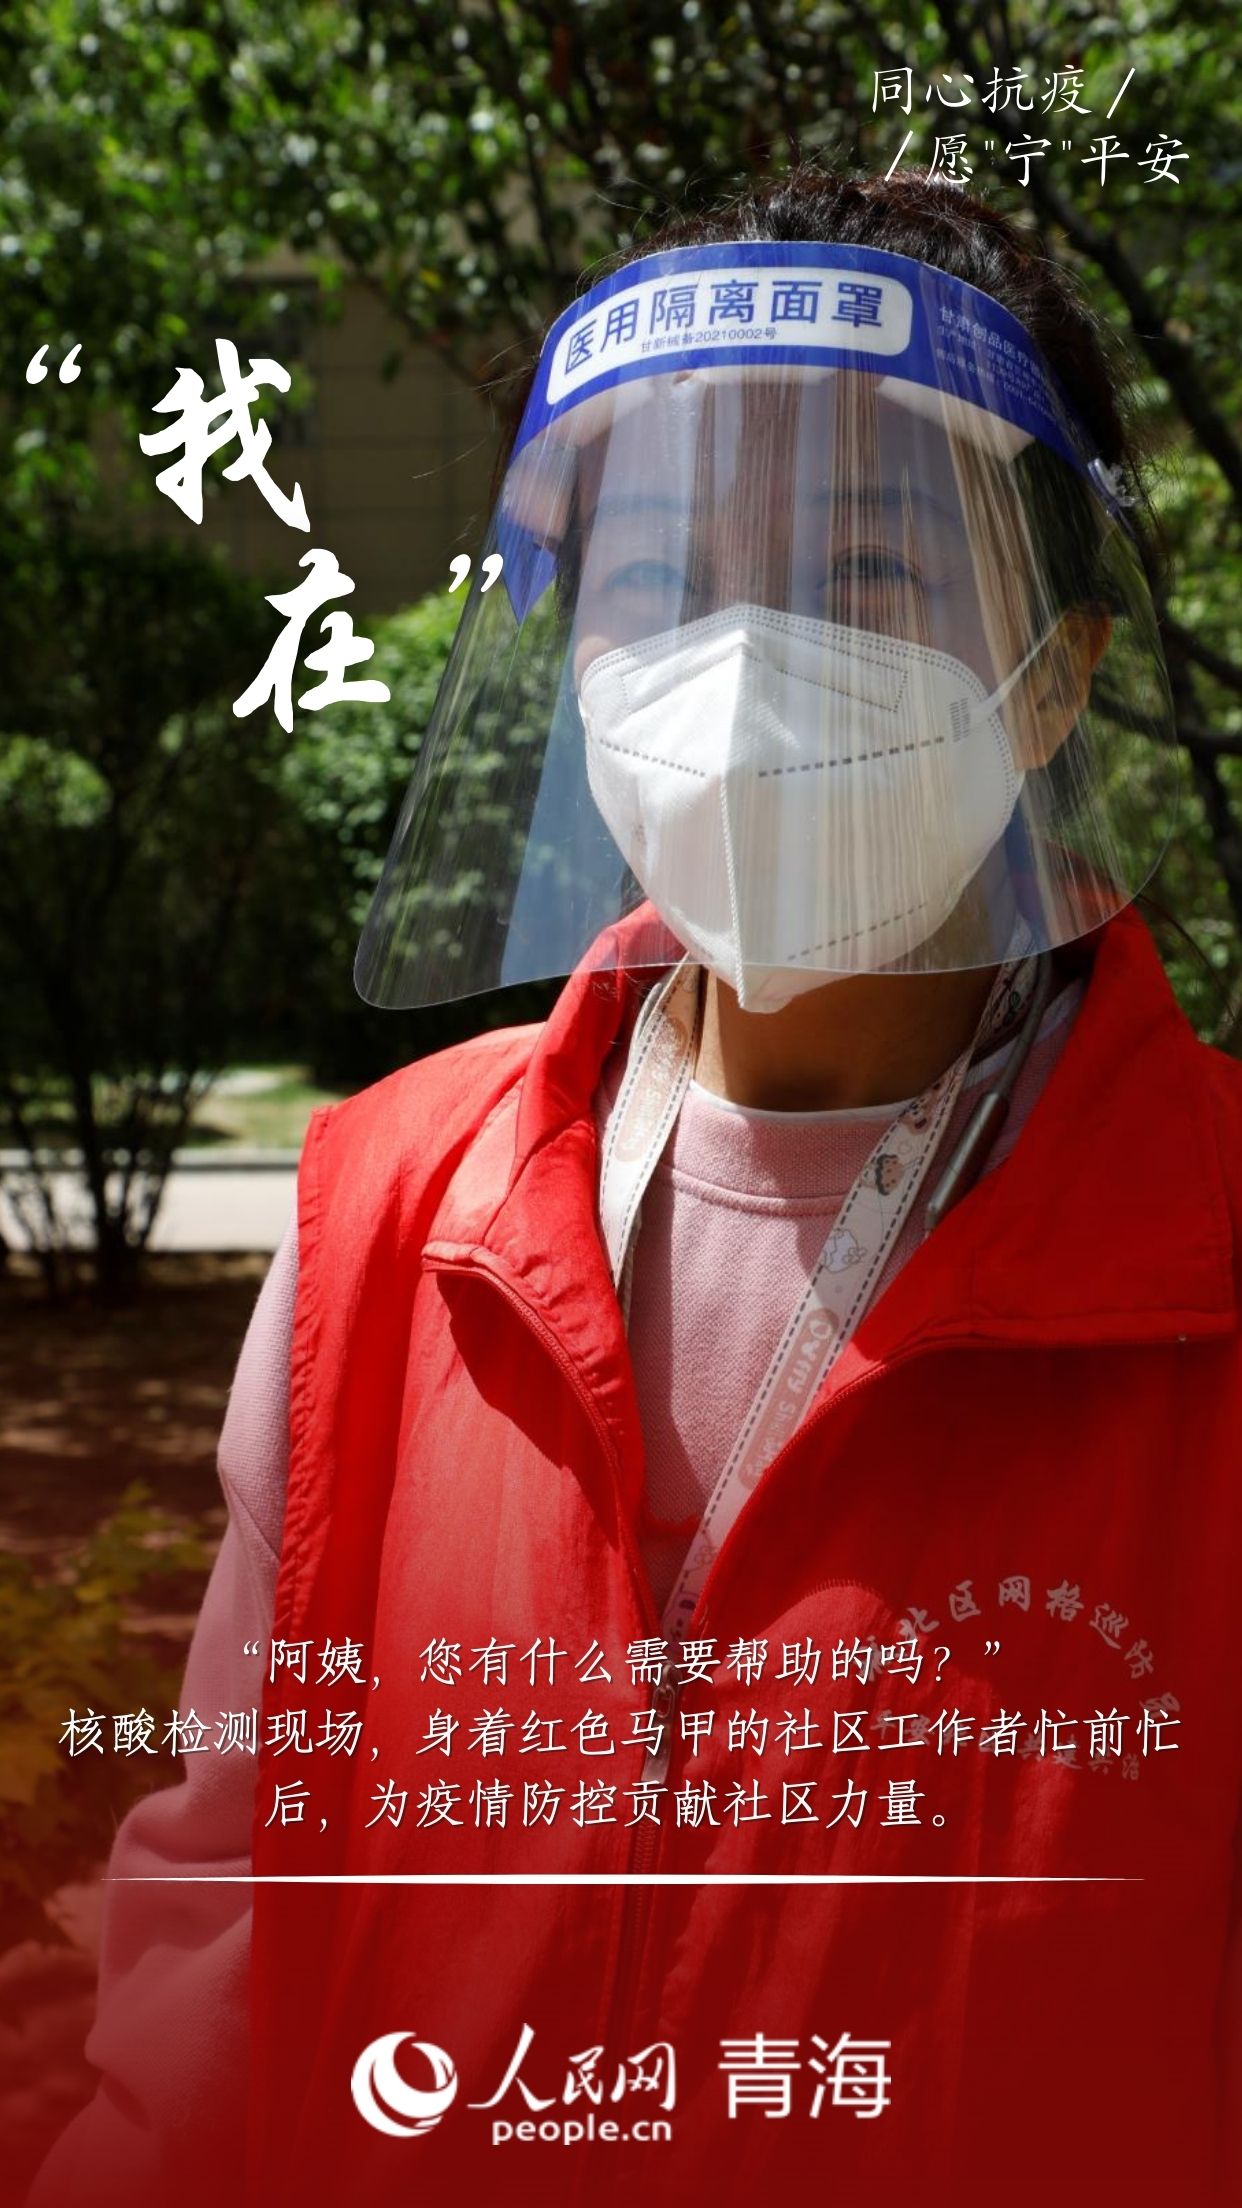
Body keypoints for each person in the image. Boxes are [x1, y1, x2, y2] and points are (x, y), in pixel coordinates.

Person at [30, 163, 1242, 2208]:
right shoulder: (383, 1220)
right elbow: (229, 1923)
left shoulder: (1206, 1253)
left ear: (1051, 675)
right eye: (664, 577)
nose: (743, 668)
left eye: (864, 571)